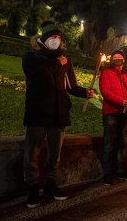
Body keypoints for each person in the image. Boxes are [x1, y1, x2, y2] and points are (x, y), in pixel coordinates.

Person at [22, 21, 94, 208]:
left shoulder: (65, 61)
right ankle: (32, 187)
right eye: (54, 37)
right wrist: (55, 63)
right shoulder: (31, 57)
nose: (57, 41)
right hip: (38, 112)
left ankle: (50, 184)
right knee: (33, 152)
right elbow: (36, 77)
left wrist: (84, 92)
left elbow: (71, 86)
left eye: (60, 38)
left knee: (55, 153)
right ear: (44, 40)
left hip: (58, 113)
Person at [99, 49, 127, 186]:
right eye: (114, 57)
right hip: (111, 112)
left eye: (119, 57)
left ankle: (121, 170)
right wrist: (120, 101)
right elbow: (105, 91)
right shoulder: (106, 73)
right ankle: (107, 173)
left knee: (121, 143)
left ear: (124, 60)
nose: (117, 58)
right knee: (109, 144)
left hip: (124, 113)